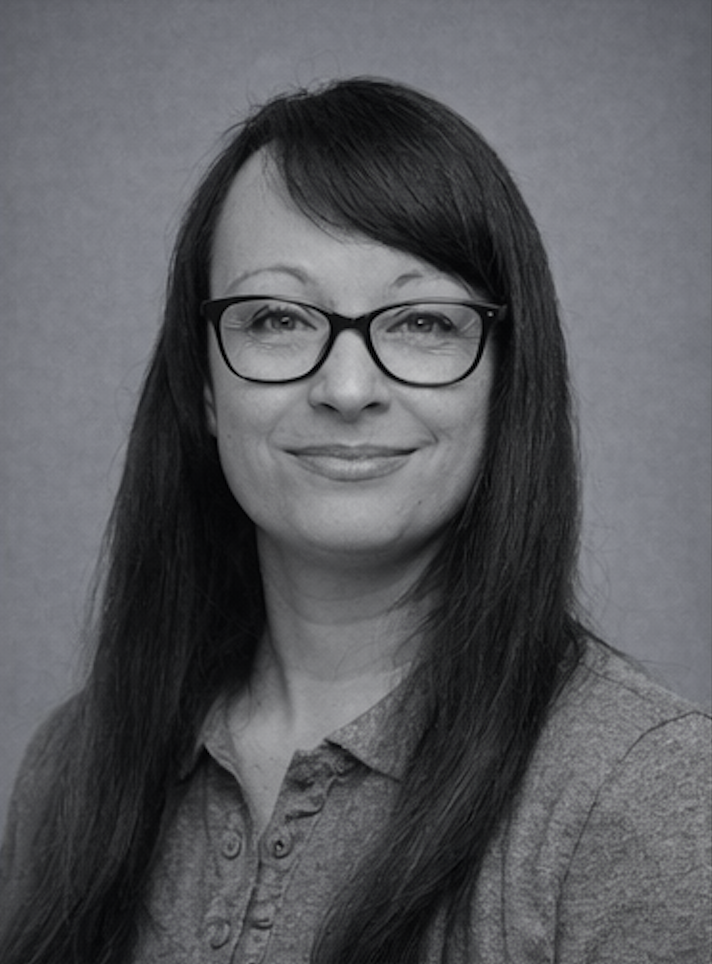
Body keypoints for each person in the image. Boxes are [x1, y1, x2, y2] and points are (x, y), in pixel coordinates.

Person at [0, 77, 709, 964]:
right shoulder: (73, 769)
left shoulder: (641, 788)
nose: (345, 388)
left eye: (420, 322)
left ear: (507, 380)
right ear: (204, 386)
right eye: (277, 318)